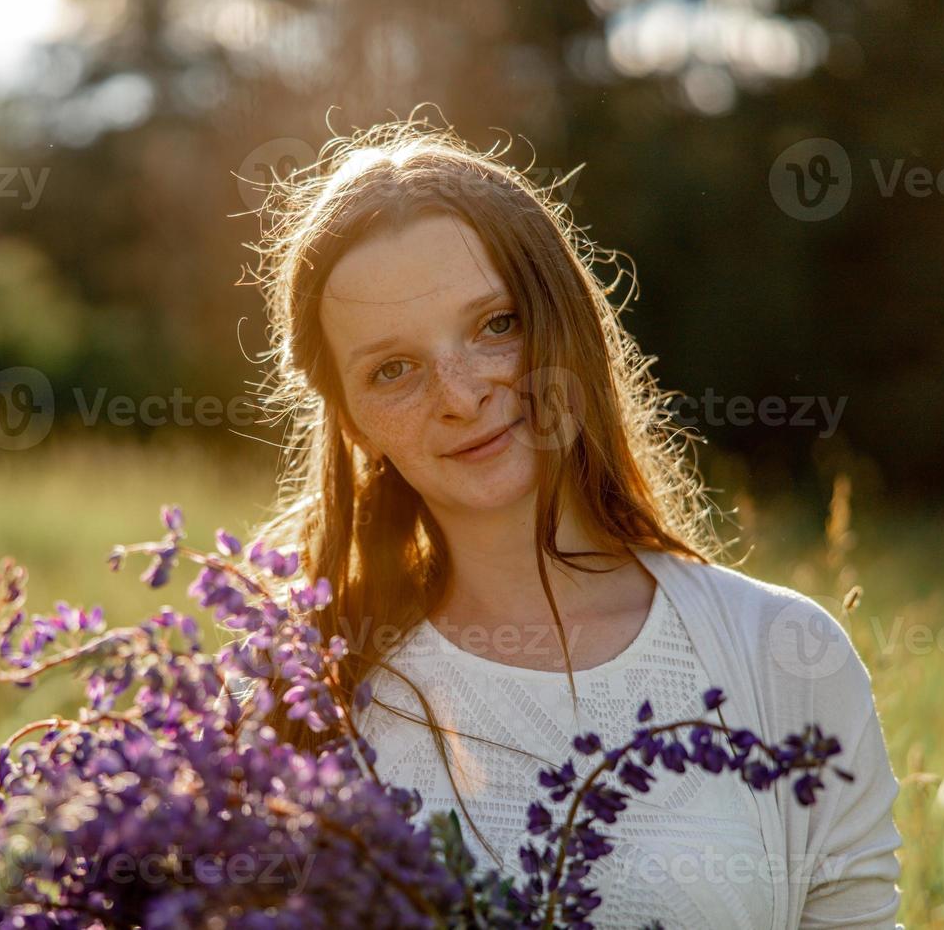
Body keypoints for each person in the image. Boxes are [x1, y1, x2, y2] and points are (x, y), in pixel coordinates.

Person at [237, 112, 903, 928]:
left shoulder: (785, 657)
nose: (462, 394)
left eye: (497, 325)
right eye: (394, 369)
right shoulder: (298, 697)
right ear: (351, 420)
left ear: (567, 322)